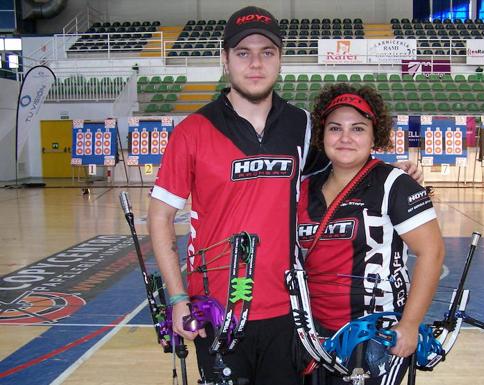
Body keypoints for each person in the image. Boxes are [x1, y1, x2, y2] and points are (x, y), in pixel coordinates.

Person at [148, 6, 422, 385]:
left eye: (267, 52)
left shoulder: (302, 125)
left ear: (280, 59)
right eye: (243, 53)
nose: (255, 63)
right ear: (225, 60)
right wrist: (177, 299)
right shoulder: (192, 131)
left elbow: (343, 165)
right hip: (217, 310)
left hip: (290, 310)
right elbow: (160, 216)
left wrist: (392, 172)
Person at [297, 83, 445, 385]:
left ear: (374, 135)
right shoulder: (302, 189)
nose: (346, 138)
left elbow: (432, 253)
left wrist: (411, 324)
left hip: (376, 336)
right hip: (315, 336)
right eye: (335, 128)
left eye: (358, 129)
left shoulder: (395, 184)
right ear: (322, 135)